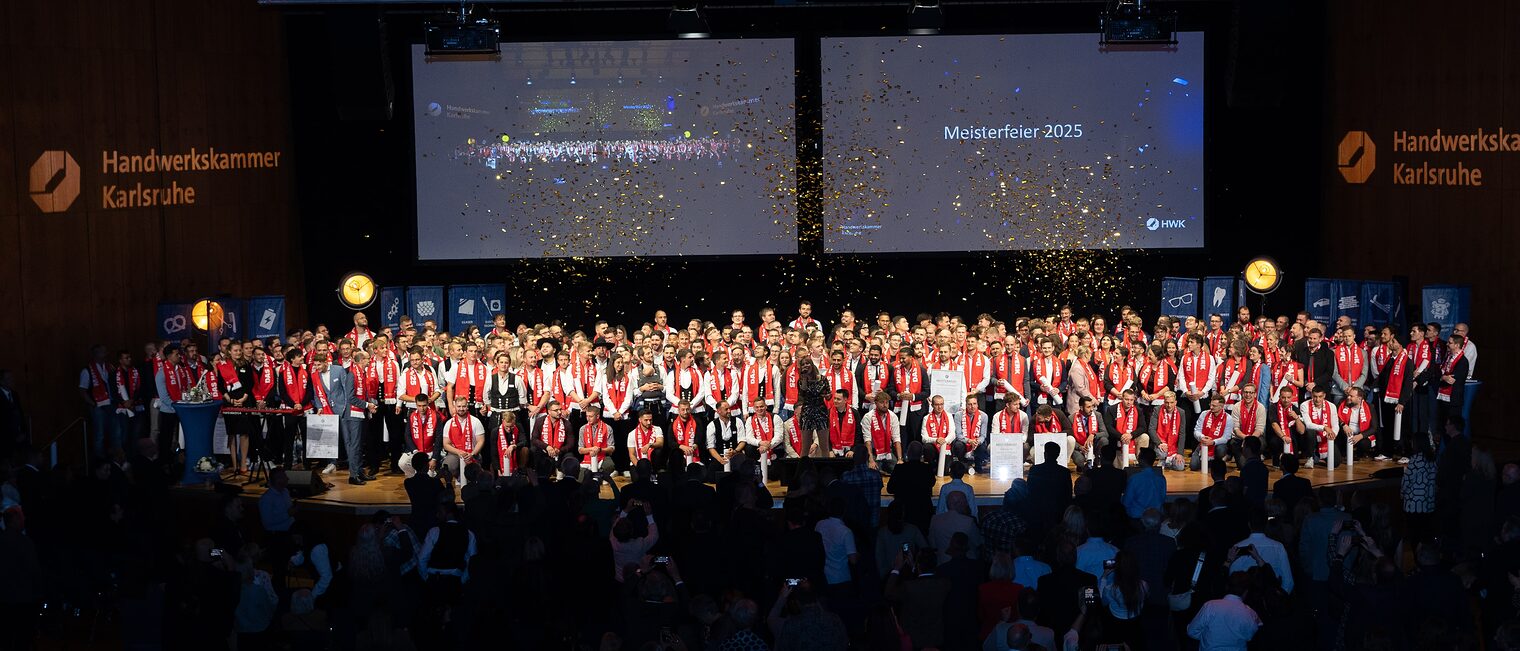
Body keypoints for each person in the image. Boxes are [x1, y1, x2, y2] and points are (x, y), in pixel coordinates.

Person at [1186, 571, 1262, 650]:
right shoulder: (1251, 613)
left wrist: (1207, 637)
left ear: (1227, 587)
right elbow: (1249, 637)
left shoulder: (1210, 606)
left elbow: (1191, 631)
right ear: (1246, 592)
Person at [1026, 441, 1073, 533]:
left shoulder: (1035, 469)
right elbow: (1068, 494)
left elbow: (1029, 491)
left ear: (1045, 454)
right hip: (1058, 514)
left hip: (1038, 513)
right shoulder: (1064, 472)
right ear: (1058, 455)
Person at [929, 490, 982, 564]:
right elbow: (978, 542)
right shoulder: (968, 521)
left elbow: (932, 544)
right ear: (960, 503)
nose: (967, 504)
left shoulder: (935, 520)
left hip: (942, 564)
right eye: (965, 502)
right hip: (967, 565)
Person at [1123, 447, 1167, 520]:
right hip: (1156, 518)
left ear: (1141, 460)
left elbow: (1126, 501)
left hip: (1137, 517)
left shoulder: (1134, 479)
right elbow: (1162, 498)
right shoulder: (1161, 478)